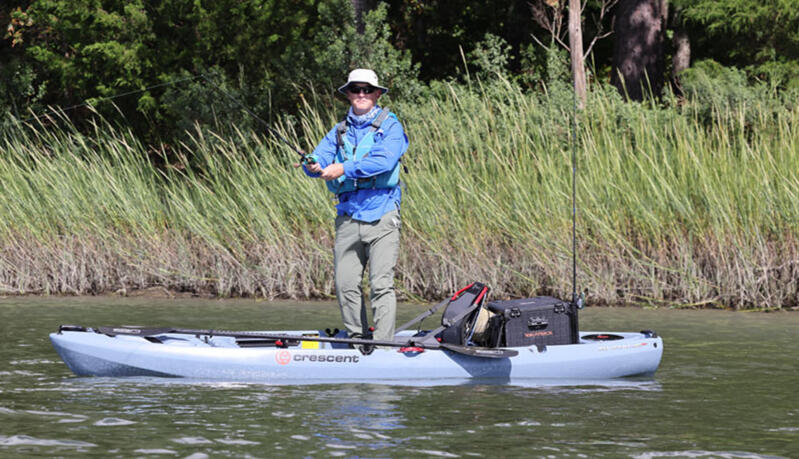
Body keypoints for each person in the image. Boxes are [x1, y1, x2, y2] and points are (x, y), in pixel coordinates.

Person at [300, 69, 408, 349]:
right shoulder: (338, 131)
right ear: (347, 94)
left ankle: (383, 345)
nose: (361, 94)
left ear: (377, 94)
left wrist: (343, 168)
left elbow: (384, 162)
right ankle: (358, 342)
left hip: (383, 213)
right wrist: (312, 165)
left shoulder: (391, 127)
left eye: (367, 89)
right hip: (348, 216)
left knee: (381, 284)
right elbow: (319, 158)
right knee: (345, 283)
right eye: (355, 89)